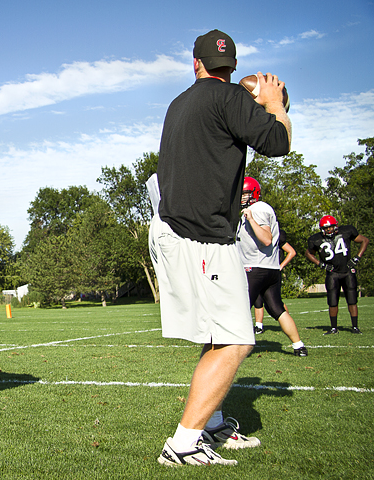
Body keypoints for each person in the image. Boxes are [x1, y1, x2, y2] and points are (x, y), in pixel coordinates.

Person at [148, 29, 291, 466]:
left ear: (196, 63)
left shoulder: (179, 103)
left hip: (174, 229)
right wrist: (274, 104)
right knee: (236, 341)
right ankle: (183, 444)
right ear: (230, 67)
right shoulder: (229, 98)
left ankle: (212, 425)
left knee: (217, 332)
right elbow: (278, 143)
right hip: (202, 236)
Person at [237, 177, 307, 356]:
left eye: (245, 193)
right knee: (277, 309)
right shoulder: (255, 209)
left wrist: (251, 219)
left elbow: (267, 239)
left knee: (239, 310)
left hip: (255, 269)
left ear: (254, 193)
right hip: (269, 269)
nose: (242, 197)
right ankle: (299, 346)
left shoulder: (257, 209)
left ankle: (233, 349)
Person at [305, 215, 369, 334]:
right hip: (332, 273)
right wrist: (321, 264)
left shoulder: (346, 231)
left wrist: (357, 258)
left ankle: (355, 326)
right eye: (326, 228)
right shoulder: (316, 239)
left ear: (336, 226)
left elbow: (365, 240)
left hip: (347, 271)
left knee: (352, 300)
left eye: (330, 227)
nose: (328, 230)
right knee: (332, 301)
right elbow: (308, 253)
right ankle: (334, 328)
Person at [253, 225, 295, 334]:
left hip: (271, 270)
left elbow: (291, 252)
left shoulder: (276, 235)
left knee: (275, 301)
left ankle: (287, 321)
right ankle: (259, 326)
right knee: (258, 299)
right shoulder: (255, 232)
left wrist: (281, 265)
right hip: (258, 269)